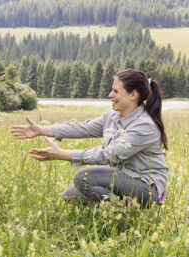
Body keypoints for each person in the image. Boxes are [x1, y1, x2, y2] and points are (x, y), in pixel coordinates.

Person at [11, 68, 168, 208]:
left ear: (133, 94)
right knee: (70, 196)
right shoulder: (112, 115)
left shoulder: (144, 125)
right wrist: (41, 130)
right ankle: (116, 207)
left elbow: (110, 154)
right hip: (122, 177)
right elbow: (84, 128)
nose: (110, 95)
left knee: (84, 178)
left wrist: (62, 155)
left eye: (116, 91)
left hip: (146, 187)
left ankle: (120, 213)